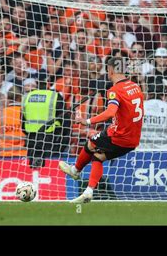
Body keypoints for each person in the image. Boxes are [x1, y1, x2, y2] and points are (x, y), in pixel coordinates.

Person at [59, 56, 144, 204]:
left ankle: (75, 170)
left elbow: (110, 113)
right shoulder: (136, 87)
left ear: (110, 70)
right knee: (98, 157)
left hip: (118, 136)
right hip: (133, 140)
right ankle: (89, 191)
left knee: (91, 143)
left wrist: (87, 121)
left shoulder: (114, 90)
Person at [22, 88, 69, 168]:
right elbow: (65, 119)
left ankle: (34, 177)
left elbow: (23, 119)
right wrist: (64, 137)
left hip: (31, 136)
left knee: (33, 164)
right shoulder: (55, 96)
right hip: (50, 137)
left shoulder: (28, 96)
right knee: (48, 166)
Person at [0, 85, 27, 157]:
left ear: (8, 98)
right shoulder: (25, 112)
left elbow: (0, 134)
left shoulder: (1, 113)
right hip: (22, 153)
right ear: (21, 98)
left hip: (5, 153)